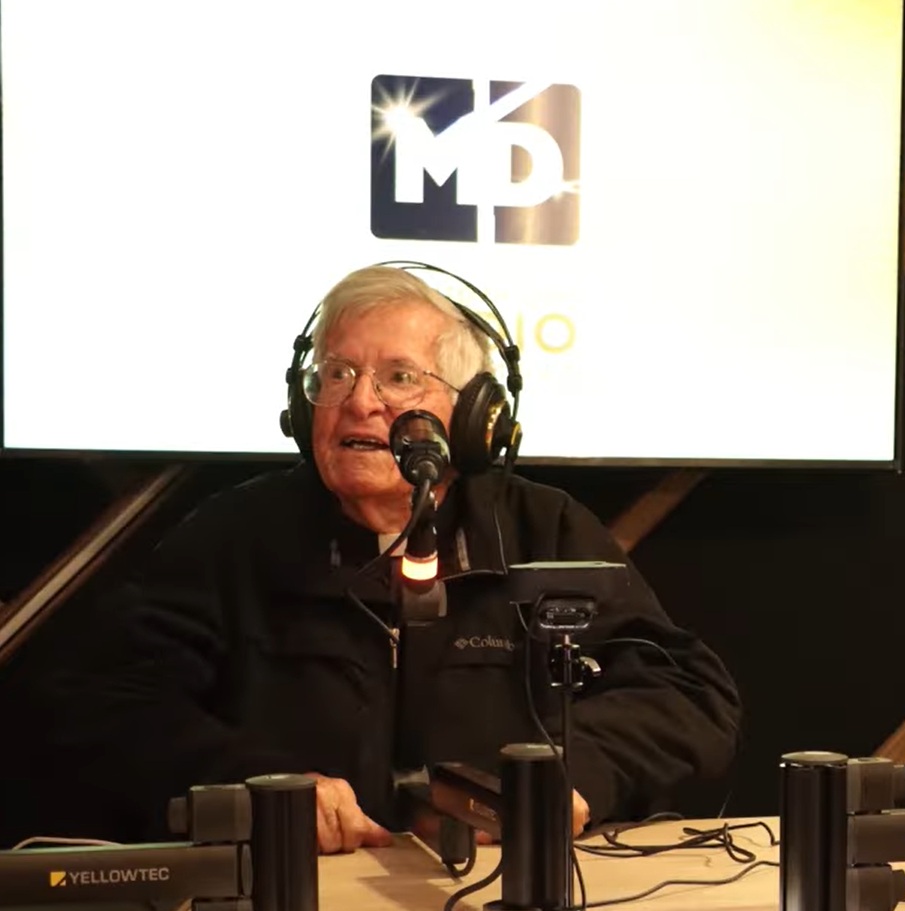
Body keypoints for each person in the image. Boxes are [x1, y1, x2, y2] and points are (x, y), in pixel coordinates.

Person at [32, 264, 741, 854]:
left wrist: (568, 773)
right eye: (336, 375)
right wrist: (258, 787)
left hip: (494, 886)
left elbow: (686, 693)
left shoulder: (541, 527)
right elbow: (107, 702)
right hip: (298, 886)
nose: (359, 403)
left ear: (474, 416)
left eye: (399, 377)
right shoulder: (234, 535)